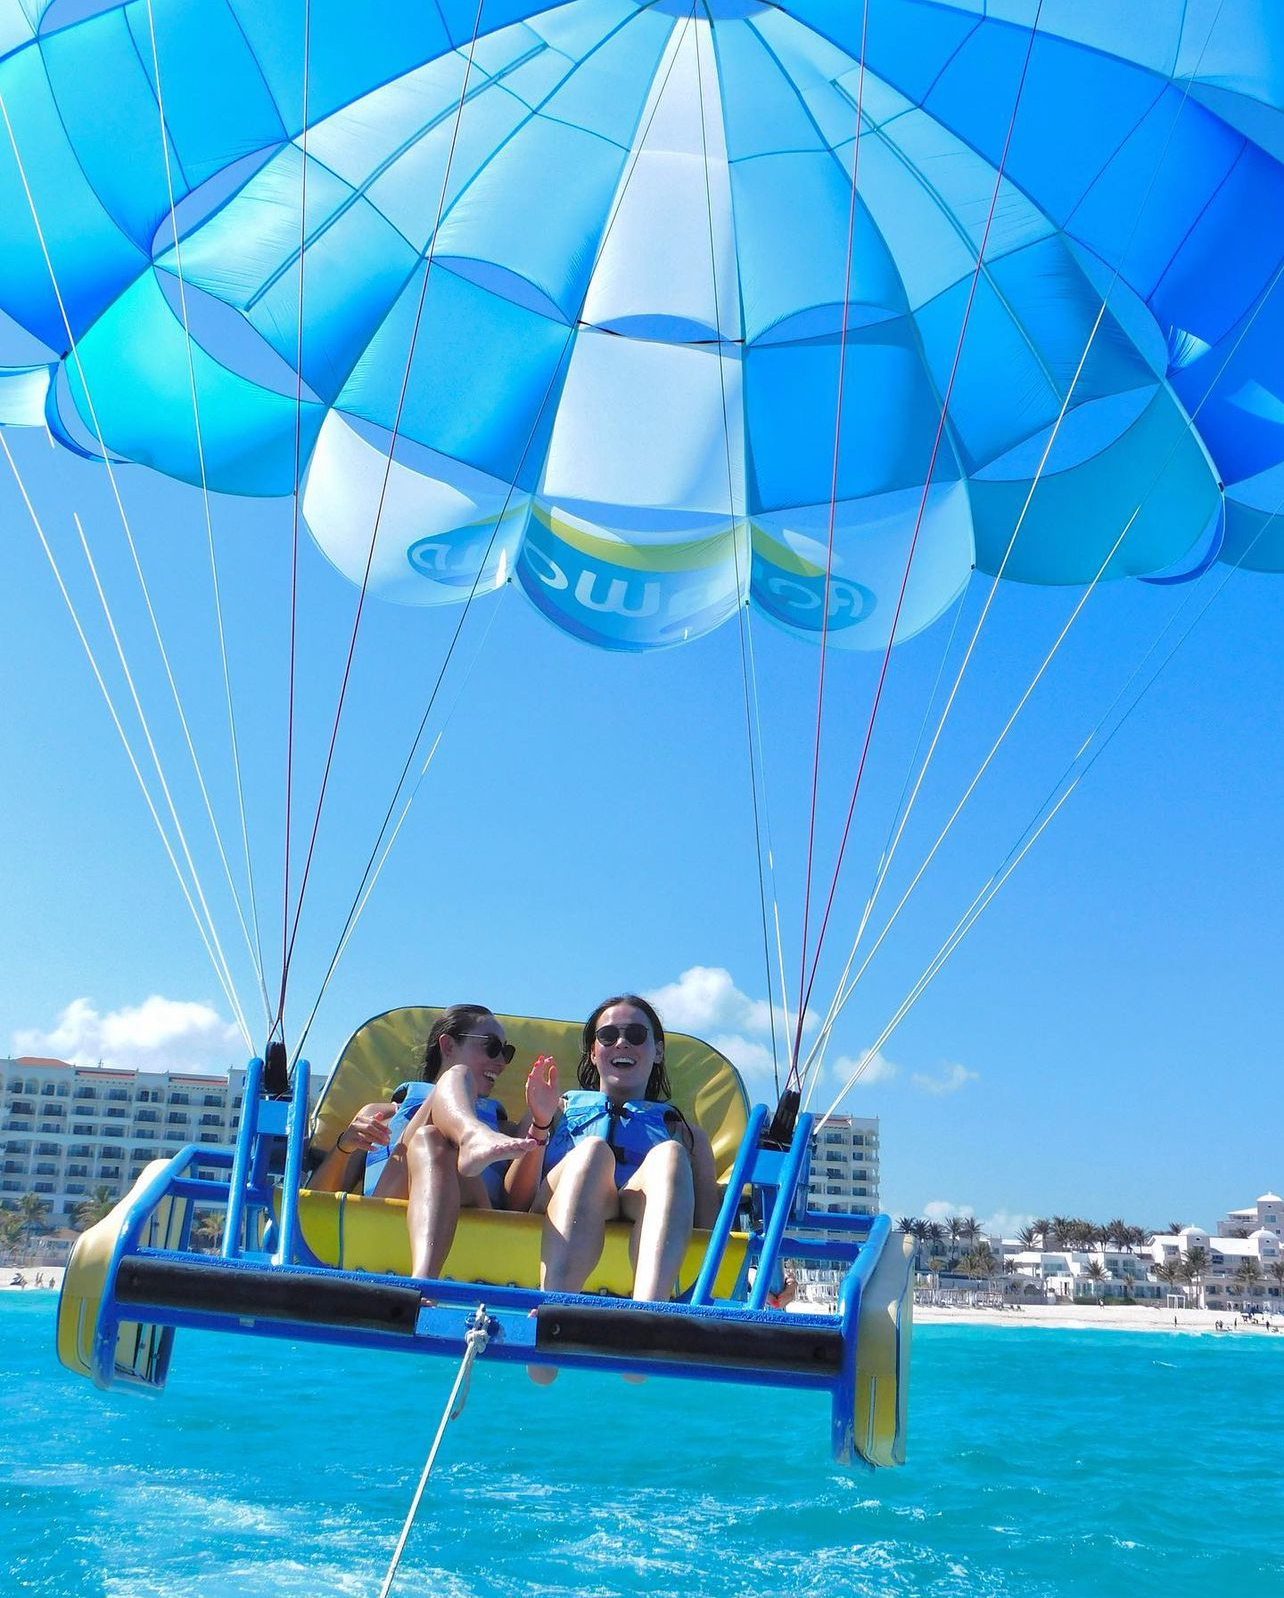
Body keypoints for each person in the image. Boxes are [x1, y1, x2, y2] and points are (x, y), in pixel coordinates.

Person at [310, 1004, 558, 1281]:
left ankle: (424, 1281)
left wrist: (539, 1123)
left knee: (431, 1138)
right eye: (492, 1047)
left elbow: (516, 1210)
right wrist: (344, 1147)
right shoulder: (379, 1116)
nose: (501, 1061)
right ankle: (469, 1136)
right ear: (448, 1045)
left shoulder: (505, 1130)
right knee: (442, 1105)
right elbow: (313, 1205)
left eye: (506, 1052)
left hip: (477, 1225)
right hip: (385, 1216)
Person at [514, 995, 719, 1321]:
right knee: (593, 1152)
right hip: (560, 1201)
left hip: (639, 1202)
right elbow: (514, 1202)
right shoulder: (553, 1111)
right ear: (593, 1052)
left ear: (658, 1051)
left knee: (670, 1154)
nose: (622, 1043)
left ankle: (646, 1317)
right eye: (608, 1036)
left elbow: (712, 1234)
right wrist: (539, 1124)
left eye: (636, 1035)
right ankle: (555, 1311)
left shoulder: (685, 1135)